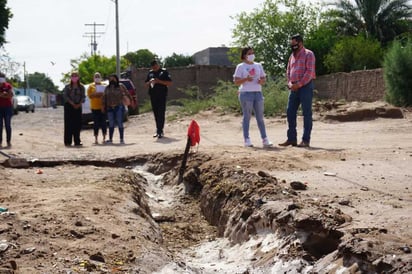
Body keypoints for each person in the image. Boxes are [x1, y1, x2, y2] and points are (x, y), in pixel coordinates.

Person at [279, 34, 316, 148]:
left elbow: (309, 72)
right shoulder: (292, 56)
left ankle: (305, 140)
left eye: (295, 44)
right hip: (293, 88)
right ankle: (291, 139)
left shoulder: (308, 54)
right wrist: (290, 83)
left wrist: (299, 84)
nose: (293, 46)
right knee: (290, 112)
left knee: (306, 113)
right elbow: (288, 71)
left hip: (305, 87)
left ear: (300, 43)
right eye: (292, 44)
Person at [233, 47, 273, 148]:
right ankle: (247, 139)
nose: (252, 55)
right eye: (249, 53)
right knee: (247, 117)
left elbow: (263, 78)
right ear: (244, 55)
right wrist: (246, 79)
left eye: (253, 53)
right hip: (246, 93)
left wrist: (262, 81)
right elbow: (236, 81)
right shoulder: (240, 66)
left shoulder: (258, 65)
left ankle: (265, 139)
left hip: (258, 93)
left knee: (260, 117)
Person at [144, 60, 172, 138]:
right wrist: (150, 82)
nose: (154, 68)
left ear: (158, 65)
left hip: (162, 95)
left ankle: (160, 130)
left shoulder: (164, 72)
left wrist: (159, 81)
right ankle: (158, 129)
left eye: (155, 66)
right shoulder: (150, 73)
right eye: (153, 67)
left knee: (161, 113)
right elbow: (145, 84)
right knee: (156, 113)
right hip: (153, 95)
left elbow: (169, 83)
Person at [101, 74, 131, 144]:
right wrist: (102, 106)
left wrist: (130, 101)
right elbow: (104, 97)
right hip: (109, 107)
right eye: (110, 79)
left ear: (116, 79)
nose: (112, 80)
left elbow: (127, 94)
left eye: (113, 79)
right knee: (111, 123)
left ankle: (121, 139)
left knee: (120, 123)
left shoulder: (121, 86)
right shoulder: (107, 88)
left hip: (119, 107)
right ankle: (110, 139)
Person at [63, 71, 86, 147]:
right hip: (69, 106)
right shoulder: (67, 87)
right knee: (69, 124)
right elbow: (65, 96)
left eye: (76, 76)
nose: (74, 77)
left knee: (77, 124)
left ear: (78, 77)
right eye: (73, 76)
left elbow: (83, 96)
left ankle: (77, 141)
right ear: (70, 77)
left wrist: (78, 104)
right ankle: (68, 141)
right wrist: (72, 103)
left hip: (78, 106)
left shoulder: (81, 87)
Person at [87, 72, 107, 144]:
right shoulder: (91, 86)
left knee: (103, 123)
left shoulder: (104, 85)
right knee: (96, 123)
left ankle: (104, 138)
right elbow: (89, 96)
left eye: (98, 76)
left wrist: (102, 94)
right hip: (94, 107)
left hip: (102, 107)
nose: (97, 78)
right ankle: (96, 139)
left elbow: (106, 95)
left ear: (101, 78)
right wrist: (95, 93)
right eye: (96, 76)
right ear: (93, 78)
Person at [0, 72, 14, 148]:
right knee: (0, 126)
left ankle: (8, 142)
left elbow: (10, 95)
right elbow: (7, 95)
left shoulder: (8, 85)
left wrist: (2, 95)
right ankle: (0, 143)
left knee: (8, 125)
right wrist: (4, 94)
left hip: (8, 108)